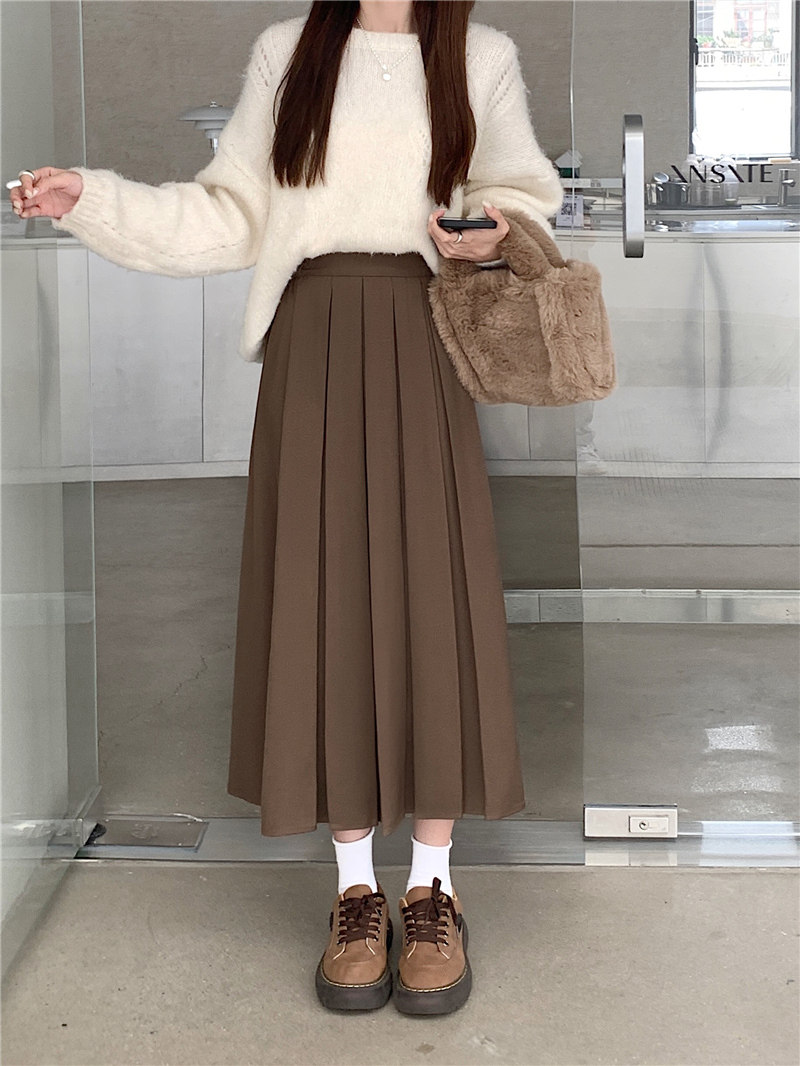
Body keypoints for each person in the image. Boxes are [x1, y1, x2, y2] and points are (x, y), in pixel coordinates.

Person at [9, 0, 564, 1016]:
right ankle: (354, 892)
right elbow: (231, 213)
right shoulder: (288, 52)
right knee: (323, 594)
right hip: (312, 337)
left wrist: (492, 232)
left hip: (427, 335)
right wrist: (94, 198)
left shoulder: (478, 56)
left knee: (432, 599)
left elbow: (523, 195)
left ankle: (432, 890)